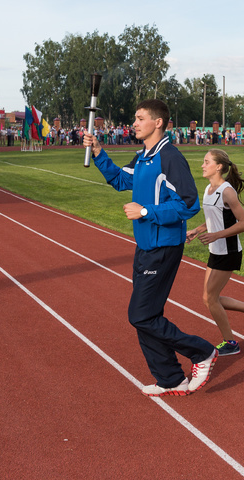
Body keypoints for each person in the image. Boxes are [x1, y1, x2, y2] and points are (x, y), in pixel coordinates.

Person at [83, 99, 217, 397]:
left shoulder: (169, 157)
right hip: (145, 245)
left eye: (140, 118)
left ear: (158, 122)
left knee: (140, 315)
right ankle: (170, 378)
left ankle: (202, 352)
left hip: (163, 246)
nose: (134, 122)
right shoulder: (143, 156)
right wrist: (98, 153)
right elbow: (120, 181)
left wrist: (146, 212)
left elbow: (188, 204)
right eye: (134, 117)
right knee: (147, 315)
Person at [186, 149, 244, 355]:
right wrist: (197, 230)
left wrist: (217, 235)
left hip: (229, 252)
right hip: (216, 250)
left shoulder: (227, 191)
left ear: (219, 167)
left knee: (211, 298)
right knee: (208, 298)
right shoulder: (208, 188)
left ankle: (230, 342)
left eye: (206, 162)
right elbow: (214, 218)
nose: (202, 165)